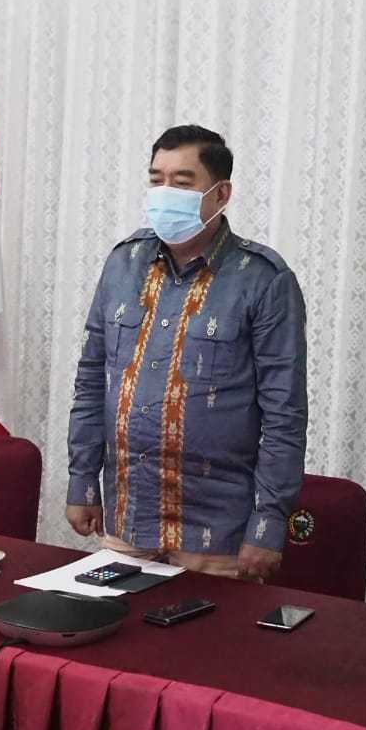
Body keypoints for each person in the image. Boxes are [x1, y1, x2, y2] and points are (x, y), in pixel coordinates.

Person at [65, 125, 308, 580]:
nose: (165, 193)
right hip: (129, 515)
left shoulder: (263, 279)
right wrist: (82, 480)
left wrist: (269, 522)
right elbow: (92, 378)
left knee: (205, 629)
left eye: (181, 182)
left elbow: (284, 413)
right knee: (112, 627)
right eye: (156, 179)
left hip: (217, 532)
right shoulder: (123, 263)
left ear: (221, 194)